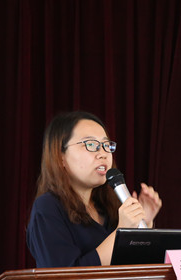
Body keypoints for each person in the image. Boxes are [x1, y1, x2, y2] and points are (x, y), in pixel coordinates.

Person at [27, 111, 162, 268]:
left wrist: (143, 224)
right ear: (60, 156)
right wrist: (122, 233)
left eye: (106, 145)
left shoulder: (109, 207)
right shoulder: (47, 207)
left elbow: (138, 269)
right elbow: (65, 276)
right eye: (91, 145)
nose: (103, 154)